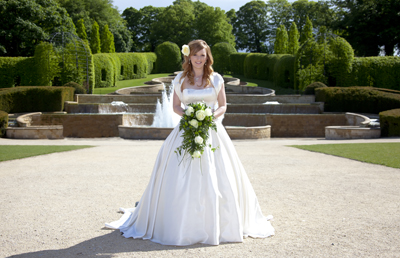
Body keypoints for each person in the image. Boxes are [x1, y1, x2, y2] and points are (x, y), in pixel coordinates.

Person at [105, 40, 275, 246]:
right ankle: (179, 223)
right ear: (189, 57)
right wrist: (189, 115)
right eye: (195, 55)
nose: (199, 59)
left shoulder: (216, 78)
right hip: (186, 129)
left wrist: (211, 116)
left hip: (212, 131)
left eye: (202, 55)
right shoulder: (180, 79)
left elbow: (223, 106)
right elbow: (175, 106)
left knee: (219, 174)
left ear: (207, 57)